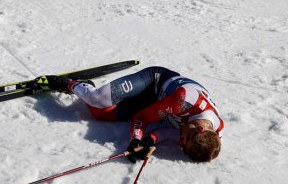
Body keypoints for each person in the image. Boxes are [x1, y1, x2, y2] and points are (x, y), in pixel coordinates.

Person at [41, 66, 223, 163]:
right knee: (98, 99)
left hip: (156, 104)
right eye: (184, 141)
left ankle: (86, 87)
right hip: (154, 82)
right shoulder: (184, 100)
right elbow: (142, 119)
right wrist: (135, 138)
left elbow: (166, 134)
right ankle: (68, 83)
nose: (180, 141)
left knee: (99, 113)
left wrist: (147, 142)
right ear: (199, 128)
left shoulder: (204, 135)